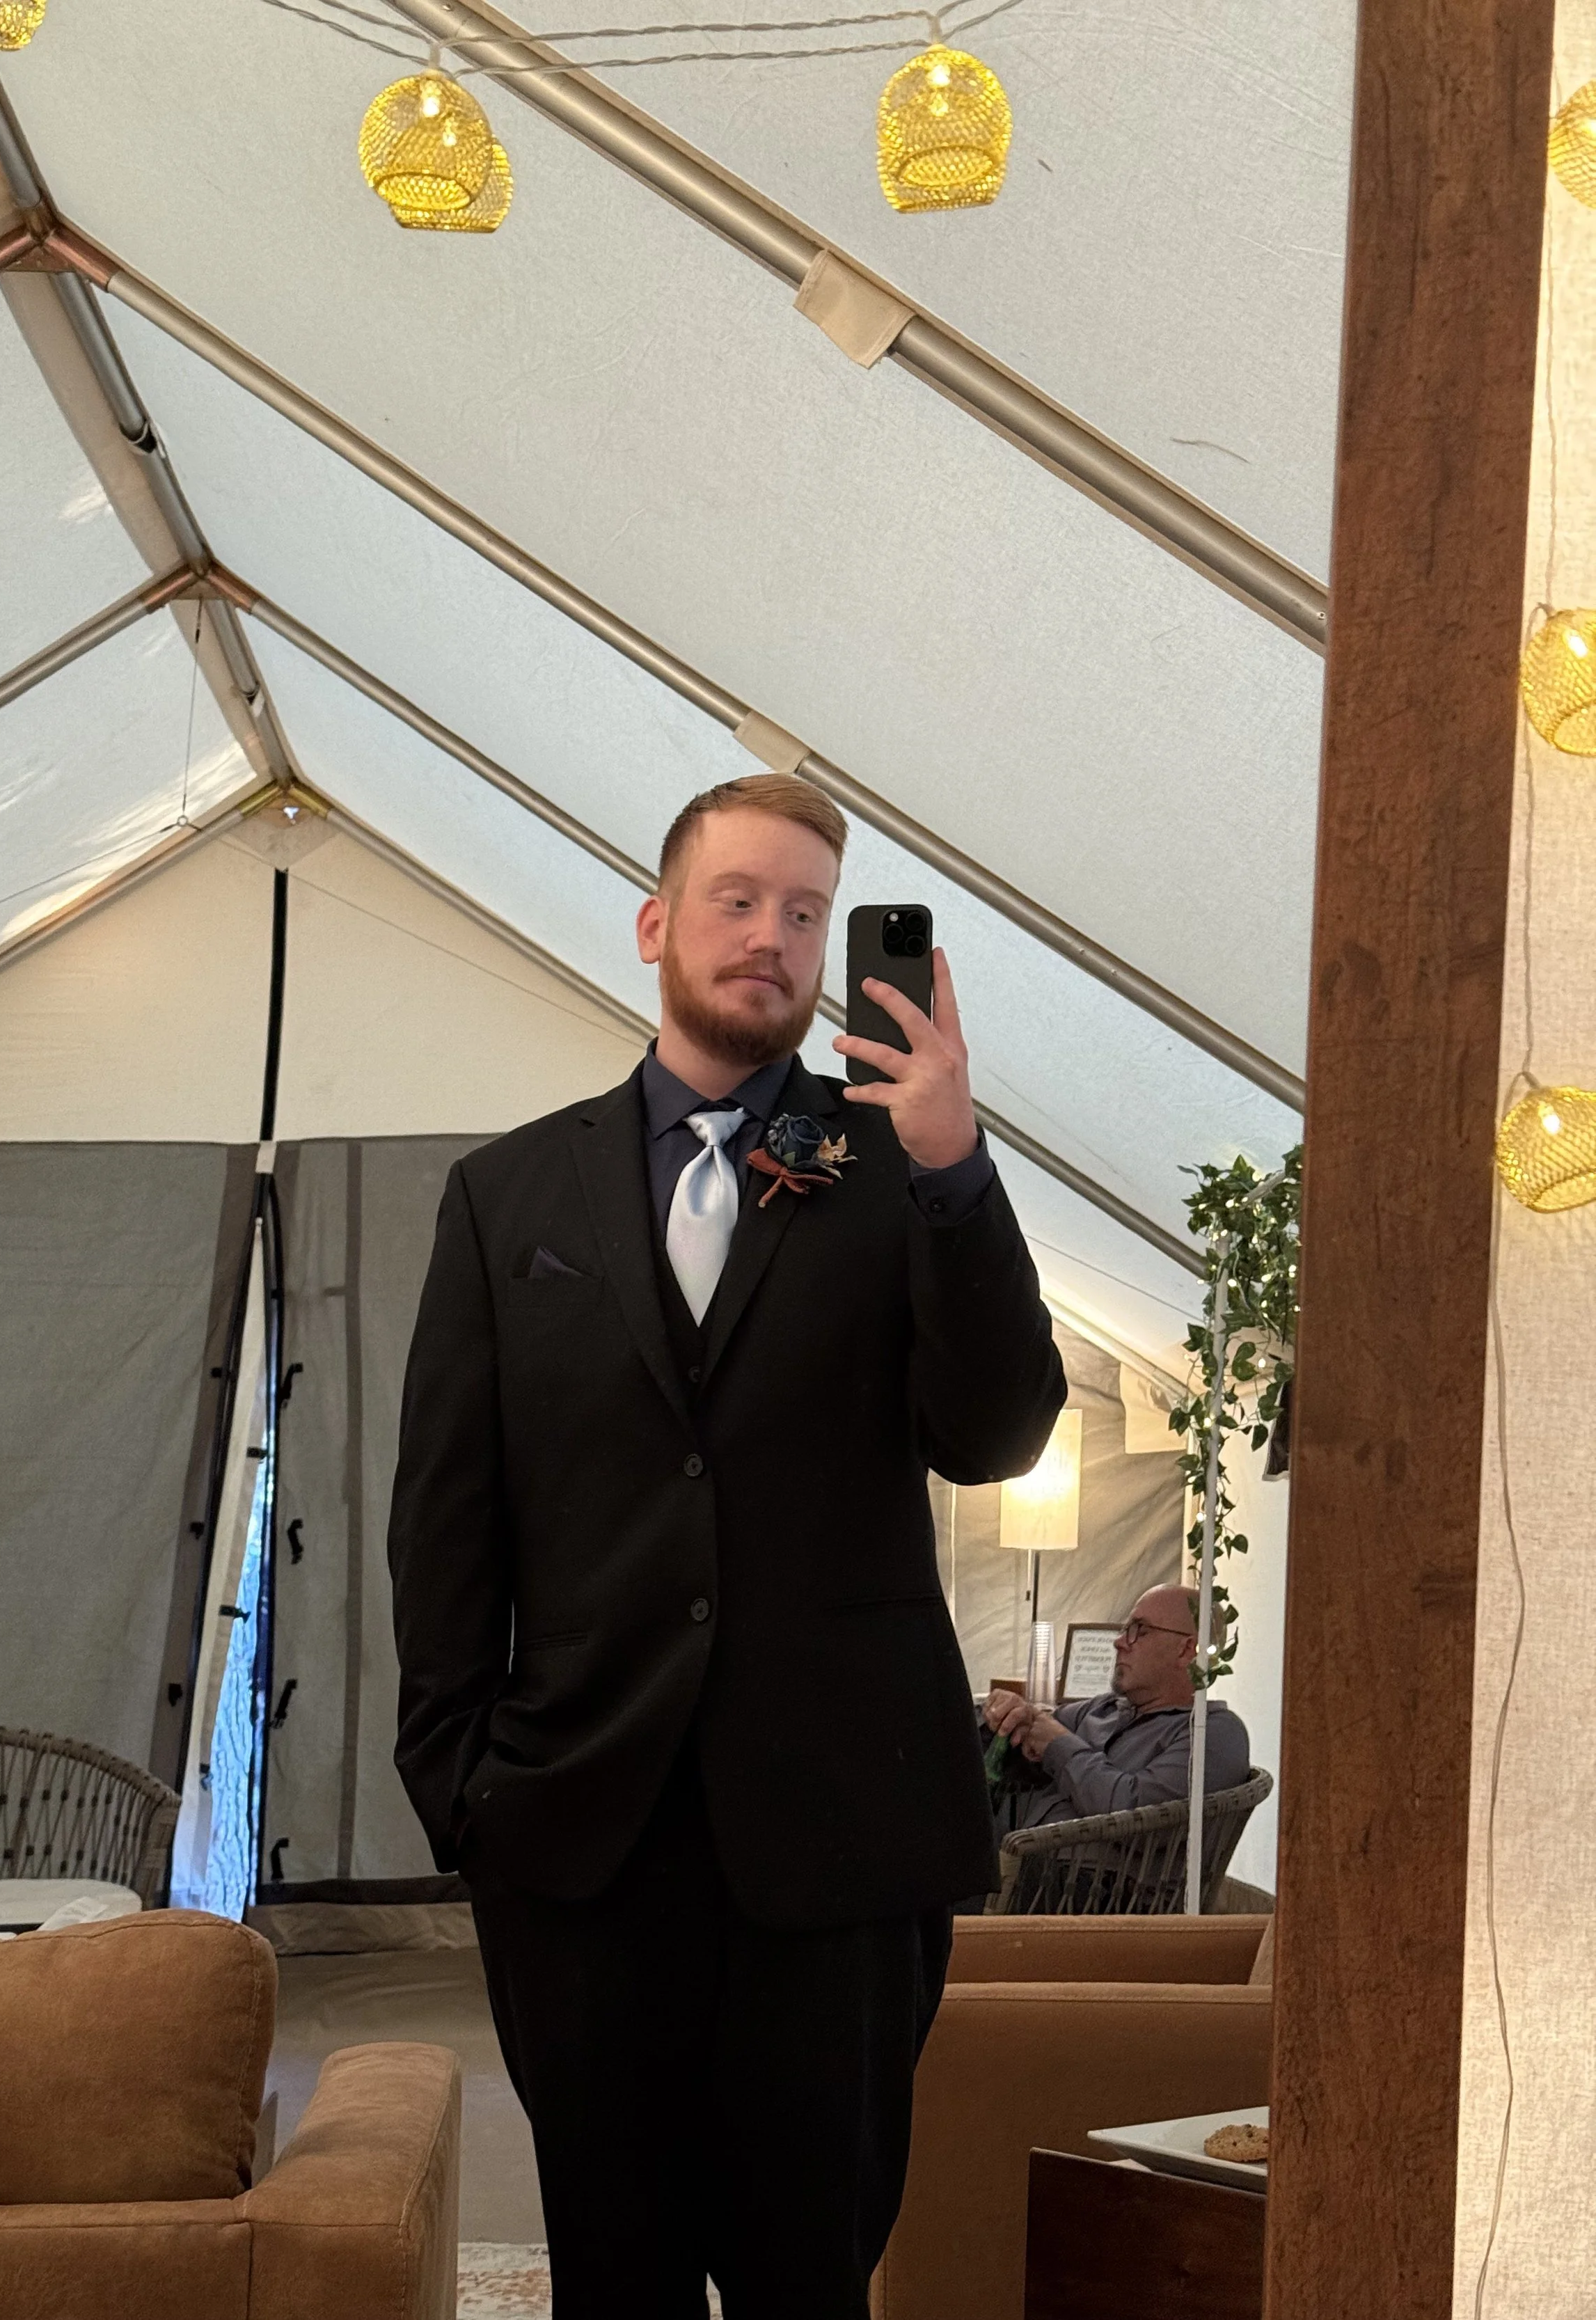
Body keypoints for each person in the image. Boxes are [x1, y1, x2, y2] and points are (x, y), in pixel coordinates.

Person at [388, 771, 1065, 2319]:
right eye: (737, 899)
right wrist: (464, 1792)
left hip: (835, 1856)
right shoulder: (504, 1197)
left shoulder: (901, 1165)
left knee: (804, 2280)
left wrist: (956, 1167)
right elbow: (444, 1516)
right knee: (611, 2283)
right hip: (579, 1844)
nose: (771, 936)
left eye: (807, 913)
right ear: (653, 923)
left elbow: (997, 1432)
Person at [983, 1584, 1251, 1828]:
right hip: (1025, 1862)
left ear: (1186, 1650)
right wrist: (1010, 1716)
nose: (1118, 1642)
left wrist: (1058, 1744)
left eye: (1140, 1630)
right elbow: (1030, 1736)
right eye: (1125, 1629)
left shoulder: (1213, 1732)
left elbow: (1134, 1814)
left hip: (1095, 1879)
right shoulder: (1101, 1709)